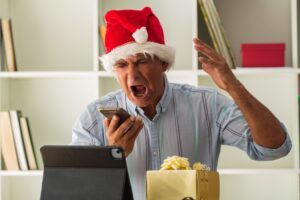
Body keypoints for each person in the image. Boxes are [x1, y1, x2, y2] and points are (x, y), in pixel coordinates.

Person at [72, 7, 292, 200]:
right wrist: (112, 156)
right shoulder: (93, 118)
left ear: (164, 63)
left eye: (141, 61)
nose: (132, 75)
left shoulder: (208, 105)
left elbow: (274, 148)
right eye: (121, 64)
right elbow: (76, 192)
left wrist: (233, 86)